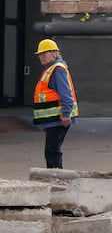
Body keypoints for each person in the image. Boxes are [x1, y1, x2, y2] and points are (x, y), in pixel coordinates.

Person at [33, 39, 77, 169]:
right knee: (52, 151)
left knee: (52, 152)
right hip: (52, 119)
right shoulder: (50, 69)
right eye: (40, 54)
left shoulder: (57, 69)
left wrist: (66, 114)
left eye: (44, 53)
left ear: (55, 53)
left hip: (58, 118)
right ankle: (55, 176)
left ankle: (55, 177)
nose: (41, 57)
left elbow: (66, 94)